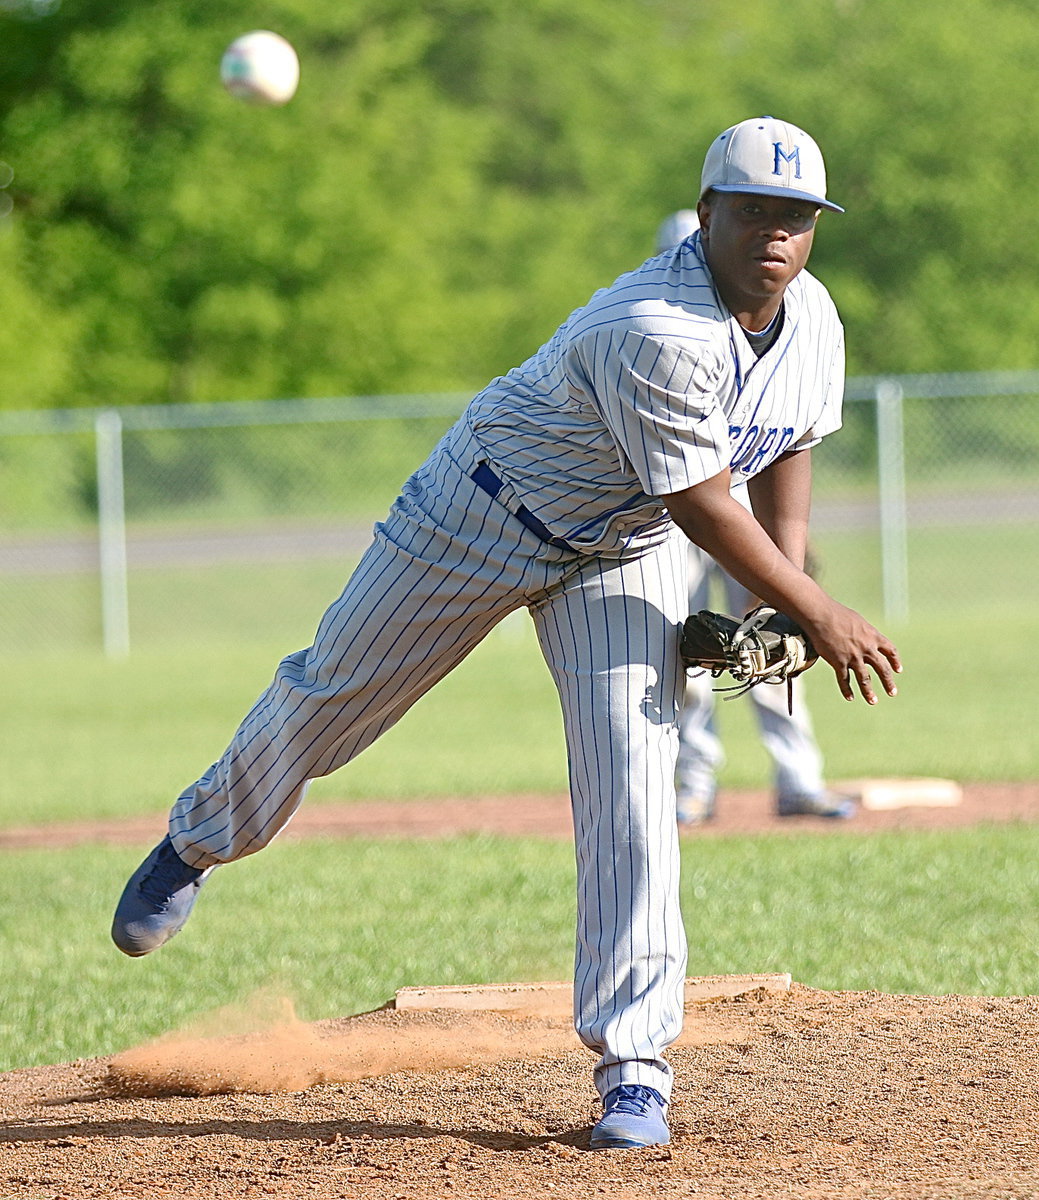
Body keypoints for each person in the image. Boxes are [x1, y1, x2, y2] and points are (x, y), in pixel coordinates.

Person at [111, 116, 901, 1151]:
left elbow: (789, 441)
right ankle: (198, 838)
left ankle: (635, 1069)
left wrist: (781, 586)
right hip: (481, 512)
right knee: (332, 696)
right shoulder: (655, 326)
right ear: (706, 213)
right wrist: (816, 605)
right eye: (753, 209)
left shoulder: (814, 317)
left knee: (632, 783)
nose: (776, 235)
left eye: (796, 217)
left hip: (623, 544)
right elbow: (712, 506)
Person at [654, 208, 856, 826]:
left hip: (737, 505)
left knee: (776, 641)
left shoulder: (784, 323)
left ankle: (798, 780)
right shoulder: (668, 329)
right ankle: (694, 784)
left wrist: (790, 564)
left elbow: (783, 438)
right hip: (673, 508)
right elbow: (687, 485)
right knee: (681, 655)